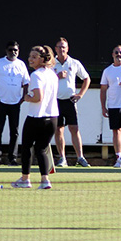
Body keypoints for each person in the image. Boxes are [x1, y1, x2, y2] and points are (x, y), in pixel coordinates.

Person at [12, 45, 59, 190]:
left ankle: (25, 179)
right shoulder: (52, 74)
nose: (30, 59)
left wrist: (26, 97)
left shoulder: (36, 75)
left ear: (42, 59)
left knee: (27, 147)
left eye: (34, 57)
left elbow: (38, 97)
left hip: (36, 117)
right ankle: (45, 180)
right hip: (52, 118)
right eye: (30, 56)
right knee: (42, 148)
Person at [0, 40, 29, 166]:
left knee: (14, 131)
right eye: (11, 50)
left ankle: (12, 158)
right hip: (1, 102)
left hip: (15, 103)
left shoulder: (21, 64)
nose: (13, 52)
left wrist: (23, 98)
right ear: (6, 51)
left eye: (15, 50)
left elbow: (26, 82)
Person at [53, 37, 91, 167]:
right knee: (58, 130)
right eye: (59, 47)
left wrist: (80, 94)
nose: (61, 49)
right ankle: (62, 158)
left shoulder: (74, 63)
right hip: (55, 101)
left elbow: (86, 78)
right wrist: (56, 77)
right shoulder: (51, 64)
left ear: (67, 48)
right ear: (55, 49)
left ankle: (80, 157)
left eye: (64, 47)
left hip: (70, 101)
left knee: (74, 128)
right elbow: (44, 79)